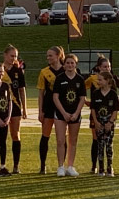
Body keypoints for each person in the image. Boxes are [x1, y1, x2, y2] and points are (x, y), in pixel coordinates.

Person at [85, 55, 119, 174]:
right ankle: (95, 166)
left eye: (109, 66)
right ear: (99, 67)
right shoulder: (93, 79)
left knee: (108, 143)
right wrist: (86, 101)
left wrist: (118, 103)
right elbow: (81, 88)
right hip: (96, 115)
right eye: (105, 66)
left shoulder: (112, 79)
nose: (107, 68)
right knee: (96, 140)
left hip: (109, 117)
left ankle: (109, 167)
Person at [52, 54, 86, 177]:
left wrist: (76, 113)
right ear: (64, 64)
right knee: (60, 140)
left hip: (75, 115)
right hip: (61, 114)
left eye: (72, 63)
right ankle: (60, 166)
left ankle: (70, 166)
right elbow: (55, 97)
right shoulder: (59, 78)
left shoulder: (80, 79)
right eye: (68, 63)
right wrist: (64, 113)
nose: (70, 65)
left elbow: (82, 98)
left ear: (76, 64)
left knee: (73, 141)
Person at [37, 46, 65, 174]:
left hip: (62, 108)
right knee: (45, 136)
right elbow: (41, 93)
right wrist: (40, 110)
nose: (48, 58)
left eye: (51, 55)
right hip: (48, 108)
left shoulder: (66, 70)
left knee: (62, 138)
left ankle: (62, 165)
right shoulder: (44, 72)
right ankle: (43, 165)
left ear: (58, 56)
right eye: (47, 56)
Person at [1, 45, 27, 174]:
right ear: (5, 55)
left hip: (16, 107)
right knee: (3, 136)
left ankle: (16, 165)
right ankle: (2, 164)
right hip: (2, 107)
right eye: (11, 55)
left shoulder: (18, 71)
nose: (14, 58)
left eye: (15, 56)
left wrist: (25, 109)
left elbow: (22, 90)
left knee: (15, 134)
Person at [90, 72, 119, 177]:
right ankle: (101, 168)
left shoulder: (113, 94)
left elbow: (115, 110)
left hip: (109, 124)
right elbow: (93, 109)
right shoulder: (95, 93)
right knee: (100, 145)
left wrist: (110, 122)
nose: (98, 82)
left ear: (107, 81)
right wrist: (96, 122)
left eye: (100, 80)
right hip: (99, 123)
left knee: (109, 145)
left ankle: (109, 167)